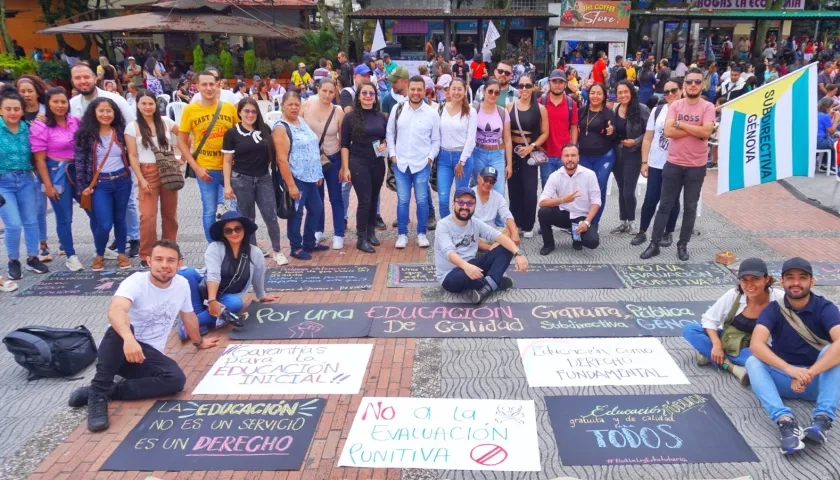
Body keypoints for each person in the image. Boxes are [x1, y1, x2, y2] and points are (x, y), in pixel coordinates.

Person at [67, 240, 219, 432]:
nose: (165, 265)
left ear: (179, 264)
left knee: (175, 380)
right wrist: (130, 340)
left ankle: (106, 392)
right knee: (120, 328)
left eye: (170, 260)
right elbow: (116, 310)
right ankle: (98, 392)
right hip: (119, 348)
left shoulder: (182, 285)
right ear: (149, 261)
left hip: (145, 356)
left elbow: (188, 315)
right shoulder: (135, 282)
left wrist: (199, 342)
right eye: (159, 259)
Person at [745, 257, 840, 455]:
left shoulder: (825, 308)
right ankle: (785, 423)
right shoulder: (773, 309)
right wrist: (790, 370)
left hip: (818, 381)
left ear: (812, 282)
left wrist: (809, 373)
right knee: (753, 361)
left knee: (830, 352)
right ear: (782, 282)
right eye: (790, 277)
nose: (796, 283)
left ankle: (822, 420)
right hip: (786, 380)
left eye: (802, 278)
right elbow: (756, 344)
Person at [641, 68, 715, 261]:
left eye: (697, 82)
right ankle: (654, 243)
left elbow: (706, 133)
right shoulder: (675, 106)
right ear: (684, 85)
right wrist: (696, 130)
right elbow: (668, 132)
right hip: (673, 163)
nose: (693, 85)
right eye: (689, 81)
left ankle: (682, 245)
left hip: (696, 166)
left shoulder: (708, 107)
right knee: (664, 205)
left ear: (702, 84)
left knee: (690, 207)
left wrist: (681, 125)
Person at [683, 257, 785, 385]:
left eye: (756, 279)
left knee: (760, 360)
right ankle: (732, 368)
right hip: (727, 339)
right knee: (690, 330)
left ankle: (709, 355)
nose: (749, 285)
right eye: (744, 280)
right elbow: (709, 319)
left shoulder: (780, 299)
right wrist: (717, 345)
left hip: (752, 349)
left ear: (767, 279)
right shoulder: (734, 294)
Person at [177, 213, 279, 339]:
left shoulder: (255, 252)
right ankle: (197, 317)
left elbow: (258, 275)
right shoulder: (215, 247)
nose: (234, 233)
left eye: (238, 229)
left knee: (236, 304)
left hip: (227, 296)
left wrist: (262, 296)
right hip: (206, 288)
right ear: (223, 233)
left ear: (244, 229)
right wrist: (212, 300)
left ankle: (193, 322)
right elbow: (213, 275)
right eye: (228, 231)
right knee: (185, 273)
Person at [178, 69, 240, 242]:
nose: (208, 88)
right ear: (197, 87)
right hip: (207, 169)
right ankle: (213, 247)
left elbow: (240, 134)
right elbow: (181, 142)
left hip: (231, 167)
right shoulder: (190, 110)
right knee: (210, 211)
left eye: (211, 84)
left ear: (218, 85)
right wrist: (196, 168)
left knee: (239, 208)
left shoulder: (228, 108)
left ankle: (239, 243)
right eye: (204, 84)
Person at [436, 187, 528, 304]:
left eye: (469, 203)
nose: (465, 206)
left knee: (506, 247)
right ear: (453, 204)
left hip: (474, 265)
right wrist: (466, 267)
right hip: (450, 274)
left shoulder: (475, 222)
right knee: (462, 277)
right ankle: (494, 281)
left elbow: (499, 236)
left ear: (474, 206)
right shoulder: (443, 225)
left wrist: (518, 253)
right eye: (461, 202)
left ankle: (487, 287)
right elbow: (449, 253)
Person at [73, 97, 132, 271]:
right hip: (99, 184)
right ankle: (99, 254)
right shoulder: (85, 135)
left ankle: (122, 253)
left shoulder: (121, 131)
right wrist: (83, 186)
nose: (105, 114)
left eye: (109, 111)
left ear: (115, 113)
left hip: (122, 180)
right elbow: (80, 162)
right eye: (102, 111)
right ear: (94, 113)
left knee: (120, 219)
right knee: (104, 223)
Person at [125, 90, 180, 270]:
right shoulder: (132, 127)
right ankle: (147, 253)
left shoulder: (165, 122)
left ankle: (170, 249)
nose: (148, 107)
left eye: (151, 103)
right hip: (146, 171)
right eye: (144, 104)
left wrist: (183, 157)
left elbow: (186, 134)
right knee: (147, 216)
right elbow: (132, 156)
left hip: (168, 171)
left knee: (169, 214)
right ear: (138, 105)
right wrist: (140, 179)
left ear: (156, 105)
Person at [31, 87, 84, 272]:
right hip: (56, 174)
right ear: (48, 103)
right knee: (64, 218)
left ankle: (101, 250)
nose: (60, 105)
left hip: (77, 172)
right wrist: (48, 184)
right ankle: (71, 255)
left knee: (96, 212)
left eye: (63, 101)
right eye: (55, 102)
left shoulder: (74, 121)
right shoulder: (41, 125)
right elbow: (39, 159)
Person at [386, 76, 441, 249]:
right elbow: (390, 133)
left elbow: (436, 140)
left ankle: (421, 233)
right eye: (413, 89)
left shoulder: (432, 113)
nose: (416, 93)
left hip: (422, 164)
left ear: (425, 91)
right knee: (402, 200)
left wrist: (430, 158)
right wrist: (393, 155)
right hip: (401, 163)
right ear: (408, 89)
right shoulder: (398, 108)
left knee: (423, 200)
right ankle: (402, 234)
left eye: (419, 89)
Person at [0, 89, 49, 280]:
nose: (13, 112)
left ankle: (32, 257)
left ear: (22, 110)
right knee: (13, 224)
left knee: (31, 220)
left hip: (26, 179)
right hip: (3, 183)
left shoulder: (28, 128)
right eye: (8, 108)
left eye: (16, 109)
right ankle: (13, 260)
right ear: (1, 110)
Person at [273, 91, 325, 260]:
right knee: (296, 213)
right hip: (296, 178)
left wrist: (317, 172)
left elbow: (312, 147)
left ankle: (309, 242)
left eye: (297, 104)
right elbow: (281, 159)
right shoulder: (281, 128)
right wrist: (291, 185)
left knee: (316, 209)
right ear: (283, 106)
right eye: (290, 104)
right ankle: (295, 247)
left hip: (310, 177)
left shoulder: (301, 121)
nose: (294, 107)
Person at [339, 81, 387, 253]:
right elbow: (344, 144)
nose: (368, 96)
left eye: (371, 94)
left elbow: (385, 137)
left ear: (375, 97)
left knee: (374, 198)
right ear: (358, 97)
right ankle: (361, 237)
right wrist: (345, 168)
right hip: (358, 162)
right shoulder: (350, 117)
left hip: (377, 162)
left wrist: (384, 144)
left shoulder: (381, 117)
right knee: (365, 199)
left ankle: (371, 232)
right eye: (364, 93)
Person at [633, 80, 681, 248]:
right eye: (666, 92)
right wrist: (644, 162)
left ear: (681, 91)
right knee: (650, 198)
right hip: (656, 162)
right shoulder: (658, 110)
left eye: (673, 91)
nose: (670, 95)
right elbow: (648, 138)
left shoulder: (686, 111)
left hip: (677, 163)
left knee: (672, 200)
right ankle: (642, 231)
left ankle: (668, 232)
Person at [300, 79, 346, 250]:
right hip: (312, 160)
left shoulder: (338, 111)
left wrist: (343, 165)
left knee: (336, 197)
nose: (327, 95)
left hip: (333, 158)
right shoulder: (307, 106)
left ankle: (339, 233)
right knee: (316, 198)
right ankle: (318, 230)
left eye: (331, 92)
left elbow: (343, 141)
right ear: (318, 89)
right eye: (324, 91)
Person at [537, 144, 601, 254]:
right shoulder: (555, 176)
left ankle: (576, 236)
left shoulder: (590, 175)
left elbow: (596, 201)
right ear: (561, 158)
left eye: (573, 155)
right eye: (566, 156)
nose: (570, 159)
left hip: (581, 217)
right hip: (563, 214)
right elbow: (542, 202)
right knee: (543, 212)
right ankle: (548, 244)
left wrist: (586, 222)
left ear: (578, 157)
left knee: (592, 242)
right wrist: (562, 200)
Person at [508, 73, 548, 237]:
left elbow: (545, 133)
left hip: (530, 152)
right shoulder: (510, 107)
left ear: (533, 88)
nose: (524, 89)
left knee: (530, 190)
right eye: (521, 86)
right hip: (513, 151)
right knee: (513, 189)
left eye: (528, 86)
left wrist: (532, 146)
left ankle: (528, 224)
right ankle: (515, 222)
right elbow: (505, 133)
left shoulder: (540, 109)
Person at [610, 80, 650, 235]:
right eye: (620, 92)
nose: (623, 95)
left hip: (633, 154)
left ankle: (632, 221)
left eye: (626, 92)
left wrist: (636, 141)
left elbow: (649, 132)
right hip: (618, 153)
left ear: (631, 92)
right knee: (621, 189)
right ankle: (623, 222)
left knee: (628, 191)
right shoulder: (615, 108)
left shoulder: (642, 109)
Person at [577, 82, 617, 225]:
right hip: (584, 156)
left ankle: (594, 223)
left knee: (599, 188)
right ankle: (581, 219)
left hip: (604, 156)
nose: (595, 96)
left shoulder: (608, 113)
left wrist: (611, 132)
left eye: (599, 93)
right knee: (584, 190)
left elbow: (613, 135)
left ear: (604, 96)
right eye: (593, 93)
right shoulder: (581, 111)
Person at [437, 77, 477, 219]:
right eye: (453, 89)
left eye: (460, 89)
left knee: (461, 200)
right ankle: (445, 228)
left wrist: (461, 162)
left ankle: (460, 227)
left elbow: (471, 139)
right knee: (442, 199)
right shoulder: (440, 108)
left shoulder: (470, 111)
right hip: (444, 158)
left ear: (465, 91)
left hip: (463, 158)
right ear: (448, 90)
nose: (456, 92)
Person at [472, 79, 512, 206]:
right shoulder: (474, 110)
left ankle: (499, 224)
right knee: (478, 187)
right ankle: (477, 220)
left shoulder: (502, 112)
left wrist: (509, 164)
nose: (493, 95)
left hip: (497, 153)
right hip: (478, 152)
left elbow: (507, 139)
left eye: (496, 92)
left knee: (499, 190)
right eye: (490, 91)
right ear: (484, 91)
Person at [538, 70, 578, 191]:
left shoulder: (571, 104)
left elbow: (574, 127)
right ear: (549, 82)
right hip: (546, 155)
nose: (557, 84)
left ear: (565, 84)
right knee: (548, 191)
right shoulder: (541, 102)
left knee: (566, 191)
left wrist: (573, 147)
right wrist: (537, 145)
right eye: (554, 81)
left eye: (561, 82)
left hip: (565, 155)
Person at [472, 166, 519, 250]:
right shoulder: (469, 194)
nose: (488, 183)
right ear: (479, 178)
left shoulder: (498, 197)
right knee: (468, 236)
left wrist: (515, 233)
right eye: (485, 179)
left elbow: (507, 216)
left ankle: (491, 248)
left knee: (511, 229)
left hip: (492, 232)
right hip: (476, 233)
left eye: (492, 181)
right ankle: (494, 248)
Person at [816, 97, 839, 171]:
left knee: (833, 141)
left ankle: (824, 165)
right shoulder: (824, 116)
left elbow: (828, 128)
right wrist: (836, 119)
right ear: (828, 107)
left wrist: (831, 117)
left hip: (816, 140)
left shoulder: (818, 114)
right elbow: (832, 131)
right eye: (832, 106)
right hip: (820, 141)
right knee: (837, 143)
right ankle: (832, 166)